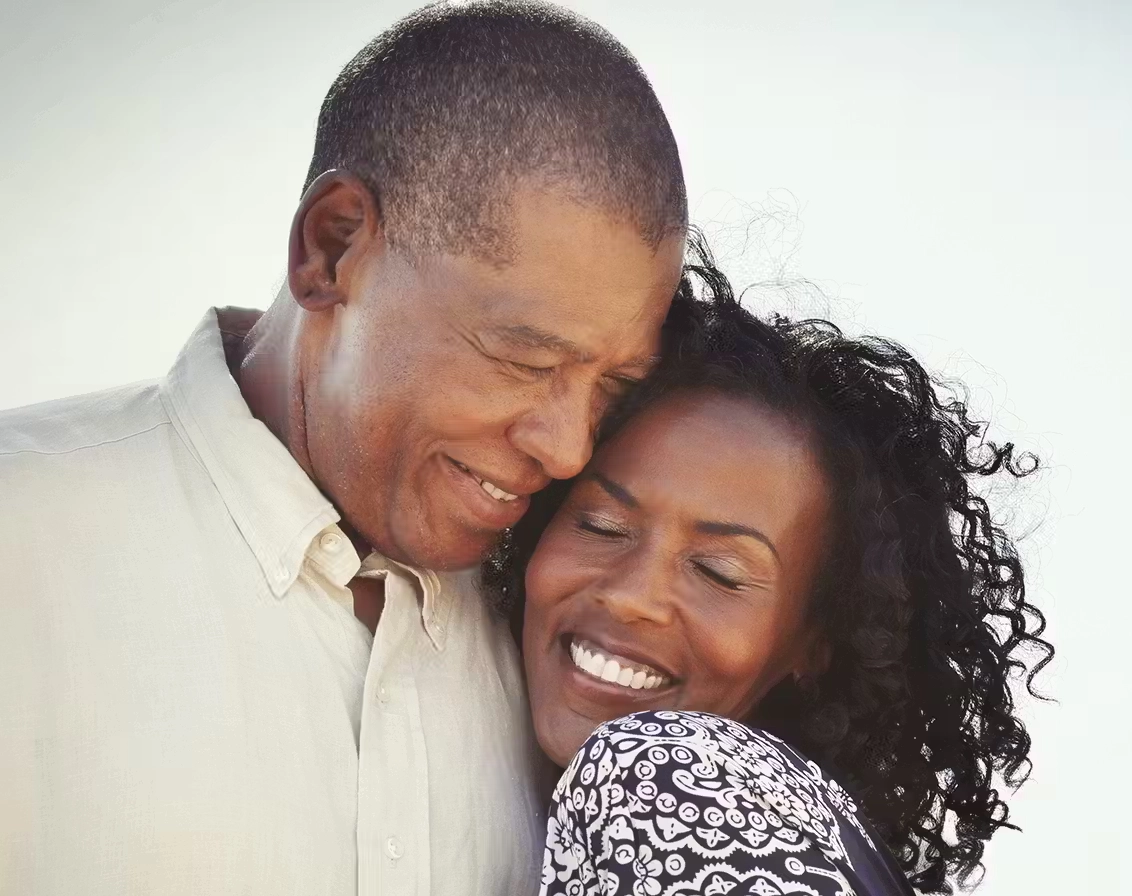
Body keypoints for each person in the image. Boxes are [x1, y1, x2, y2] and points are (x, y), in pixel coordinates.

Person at [0, 3, 689, 892]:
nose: (567, 448)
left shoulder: (558, 642)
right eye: (524, 358)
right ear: (332, 248)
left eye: (613, 386)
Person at [486, 270, 1054, 894]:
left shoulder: (662, 774)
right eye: (602, 526)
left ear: (816, 640)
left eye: (717, 573)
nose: (632, 594)